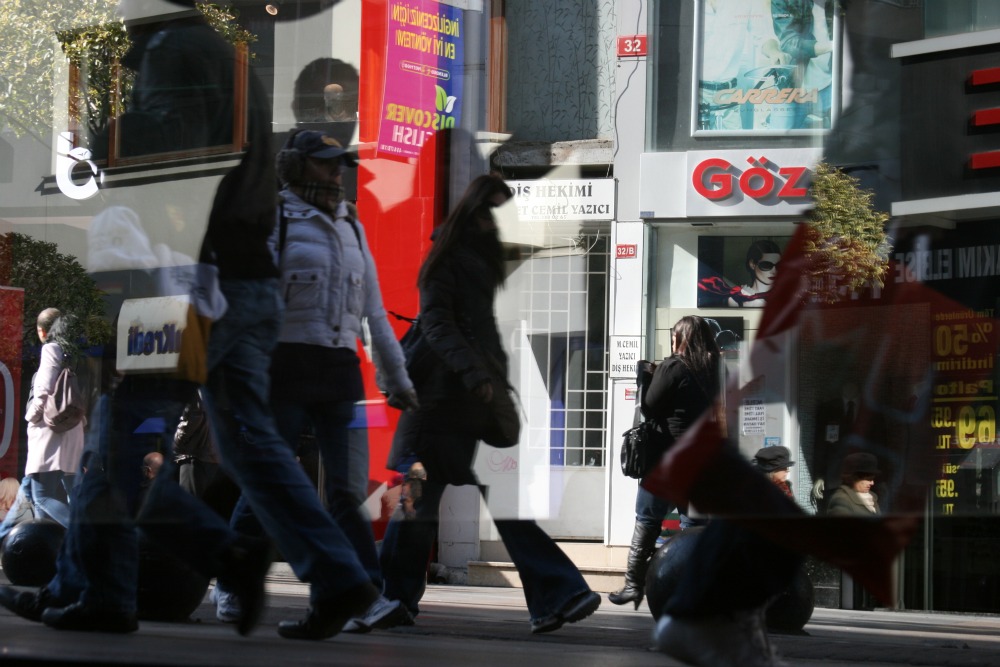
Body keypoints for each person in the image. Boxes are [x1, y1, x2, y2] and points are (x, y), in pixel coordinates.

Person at [0, 0, 380, 639]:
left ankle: (118, 588)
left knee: (120, 440)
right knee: (254, 447)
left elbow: (165, 145)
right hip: (243, 282)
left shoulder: (173, 48)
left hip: (185, 285)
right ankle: (338, 574)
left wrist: (101, 128)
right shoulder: (221, 51)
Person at [213, 129, 418, 632]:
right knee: (270, 486)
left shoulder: (352, 225)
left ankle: (362, 597)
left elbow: (372, 311)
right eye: (326, 164)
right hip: (282, 367)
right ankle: (234, 583)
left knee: (347, 492)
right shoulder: (277, 217)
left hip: (337, 371)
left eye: (339, 164)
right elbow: (247, 299)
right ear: (297, 168)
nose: (337, 173)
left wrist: (398, 379)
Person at [378, 174, 601, 634]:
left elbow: (486, 334)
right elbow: (438, 325)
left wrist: (497, 385)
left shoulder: (485, 263)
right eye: (494, 211)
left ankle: (558, 594)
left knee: (485, 503)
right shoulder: (447, 260)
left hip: (472, 405)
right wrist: (478, 375)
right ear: (477, 212)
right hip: (437, 404)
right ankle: (393, 599)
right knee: (416, 506)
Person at [608, 318, 721, 609]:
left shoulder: (674, 366)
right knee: (693, 526)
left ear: (681, 339)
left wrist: (647, 375)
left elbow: (649, 406)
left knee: (647, 519)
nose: (672, 342)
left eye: (674, 337)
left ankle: (634, 585)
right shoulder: (714, 368)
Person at [23, 309, 84, 529]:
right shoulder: (71, 353)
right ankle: (50, 552)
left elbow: (43, 390)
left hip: (50, 431)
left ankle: (82, 534)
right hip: (70, 428)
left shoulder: (50, 349)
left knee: (41, 496)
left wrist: (30, 417)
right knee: (68, 492)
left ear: (42, 331)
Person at [728, 239, 781, 307]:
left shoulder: (786, 297)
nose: (774, 271)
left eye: (778, 265)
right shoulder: (736, 298)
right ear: (752, 264)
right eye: (766, 265)